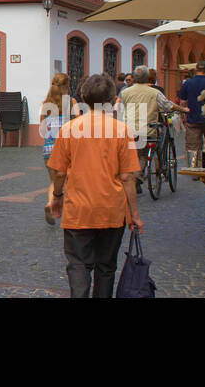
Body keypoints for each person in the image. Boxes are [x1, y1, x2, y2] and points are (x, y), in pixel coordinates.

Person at [47, 74, 142, 298]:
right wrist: (134, 214)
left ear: (84, 97)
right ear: (112, 98)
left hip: (78, 209)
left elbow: (59, 172)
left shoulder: (69, 129)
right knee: (106, 267)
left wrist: (57, 196)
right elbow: (128, 177)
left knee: (78, 265)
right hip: (112, 209)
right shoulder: (121, 131)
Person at [40, 72, 73, 224]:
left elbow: (42, 127)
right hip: (65, 148)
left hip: (48, 147)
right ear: (66, 86)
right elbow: (78, 119)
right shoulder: (71, 102)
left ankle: (50, 203)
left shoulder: (46, 103)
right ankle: (64, 211)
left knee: (53, 181)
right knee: (66, 181)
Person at [177, 60, 205, 162]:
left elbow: (182, 102)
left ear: (196, 69)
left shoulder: (188, 82)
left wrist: (183, 116)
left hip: (192, 118)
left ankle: (194, 169)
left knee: (192, 147)